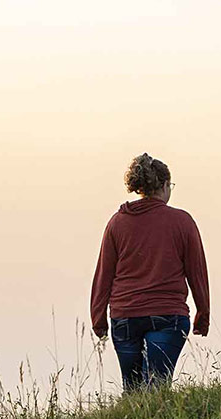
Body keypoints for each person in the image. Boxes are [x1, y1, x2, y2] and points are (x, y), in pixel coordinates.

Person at [90, 153, 210, 391]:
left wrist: (98, 318)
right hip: (168, 316)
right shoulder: (182, 221)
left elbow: (104, 273)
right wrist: (202, 314)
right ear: (164, 185)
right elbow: (197, 273)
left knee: (133, 390)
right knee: (157, 386)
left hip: (125, 316)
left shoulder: (117, 223)